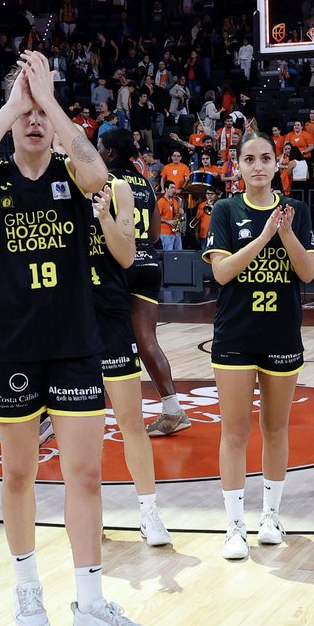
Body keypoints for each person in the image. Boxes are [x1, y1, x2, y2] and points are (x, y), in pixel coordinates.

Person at [0, 51, 151, 626]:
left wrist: (51, 102)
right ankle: (27, 588)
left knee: (85, 475)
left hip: (73, 342)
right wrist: (14, 100)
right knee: (18, 474)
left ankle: (90, 604)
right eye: (25, 113)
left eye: (41, 112)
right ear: (11, 120)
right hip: (11, 346)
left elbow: (96, 177)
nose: (34, 120)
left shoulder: (73, 173)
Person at [203, 130, 314, 560]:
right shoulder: (225, 210)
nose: (258, 166)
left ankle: (270, 516)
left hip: (282, 333)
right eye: (249, 159)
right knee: (234, 431)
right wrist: (266, 235)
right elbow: (222, 273)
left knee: (276, 428)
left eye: (265, 158)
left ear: (277, 164)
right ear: (237, 166)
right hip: (235, 334)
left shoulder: (298, 212)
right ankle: (234, 525)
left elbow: (306, 273)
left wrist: (285, 233)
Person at [93, 127, 172, 546]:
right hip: (77, 314)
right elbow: (156, 231)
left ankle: (149, 512)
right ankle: (89, 514)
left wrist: (106, 216)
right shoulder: (143, 181)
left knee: (130, 420)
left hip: (113, 294)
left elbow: (126, 249)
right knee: (82, 428)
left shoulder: (118, 186)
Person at [121, 149, 192, 438]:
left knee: (98, 340)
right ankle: (173, 409)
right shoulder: (147, 187)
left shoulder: (108, 181)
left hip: (119, 263)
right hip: (148, 260)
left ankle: (59, 414)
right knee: (147, 339)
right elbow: (153, 234)